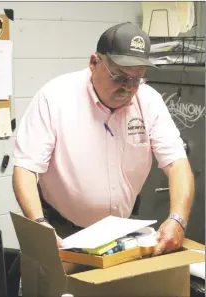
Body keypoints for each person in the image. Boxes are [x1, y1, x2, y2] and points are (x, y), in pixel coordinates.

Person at [12, 22, 194, 255]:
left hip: (121, 230)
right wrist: (38, 224)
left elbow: (178, 164)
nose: (127, 88)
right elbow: (26, 168)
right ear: (94, 63)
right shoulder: (55, 97)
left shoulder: (148, 101)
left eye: (136, 79)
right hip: (61, 230)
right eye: (119, 77)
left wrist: (178, 219)